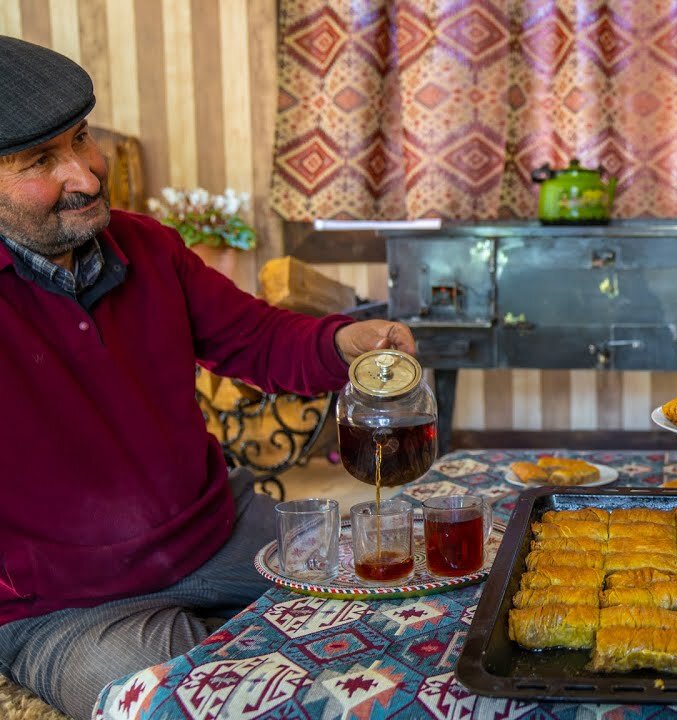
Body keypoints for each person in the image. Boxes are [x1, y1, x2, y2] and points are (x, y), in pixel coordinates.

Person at [0, 36, 418, 718]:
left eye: (82, 139)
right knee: (190, 703)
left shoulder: (148, 245)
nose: (84, 175)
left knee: (394, 606)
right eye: (40, 161)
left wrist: (347, 341)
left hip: (222, 534)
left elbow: (256, 338)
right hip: (69, 610)